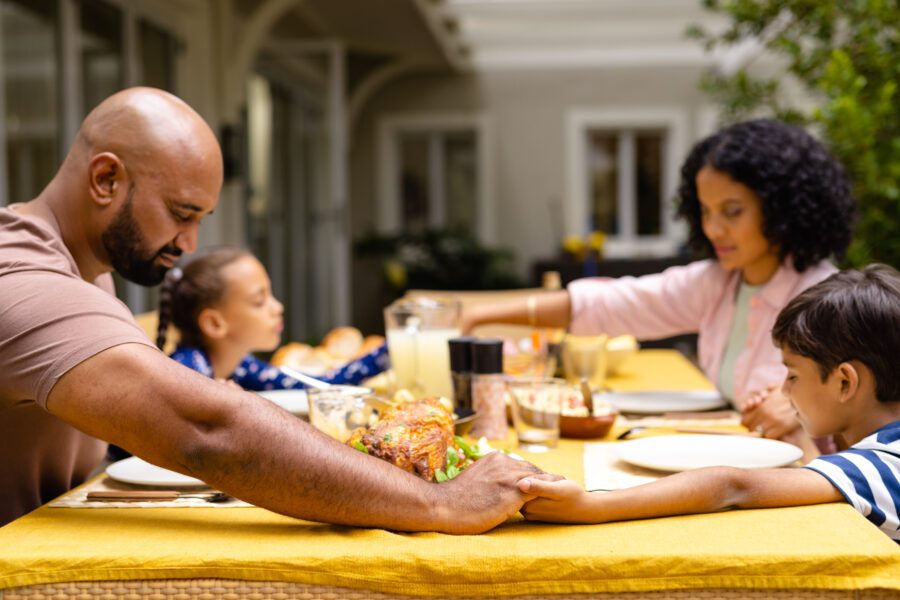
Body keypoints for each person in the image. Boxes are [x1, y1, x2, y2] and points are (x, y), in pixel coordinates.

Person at [0, 87, 543, 530]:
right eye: (180, 213)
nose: (189, 243)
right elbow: (206, 429)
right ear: (105, 179)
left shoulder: (85, 270)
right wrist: (442, 503)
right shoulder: (22, 280)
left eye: (200, 220)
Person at [463, 119, 856, 451]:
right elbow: (611, 304)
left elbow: (875, 408)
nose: (713, 228)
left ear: (782, 209)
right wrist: (481, 315)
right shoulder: (720, 281)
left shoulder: (826, 300)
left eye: (732, 212)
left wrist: (803, 405)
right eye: (704, 211)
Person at [517, 265, 900, 542]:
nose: (784, 391)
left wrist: (589, 506)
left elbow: (732, 485)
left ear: (845, 381)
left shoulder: (880, 464)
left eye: (793, 375)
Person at [156, 247, 387, 389]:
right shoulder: (187, 372)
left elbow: (320, 387)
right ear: (215, 323)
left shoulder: (240, 366)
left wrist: (393, 348)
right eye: (259, 301)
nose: (278, 307)